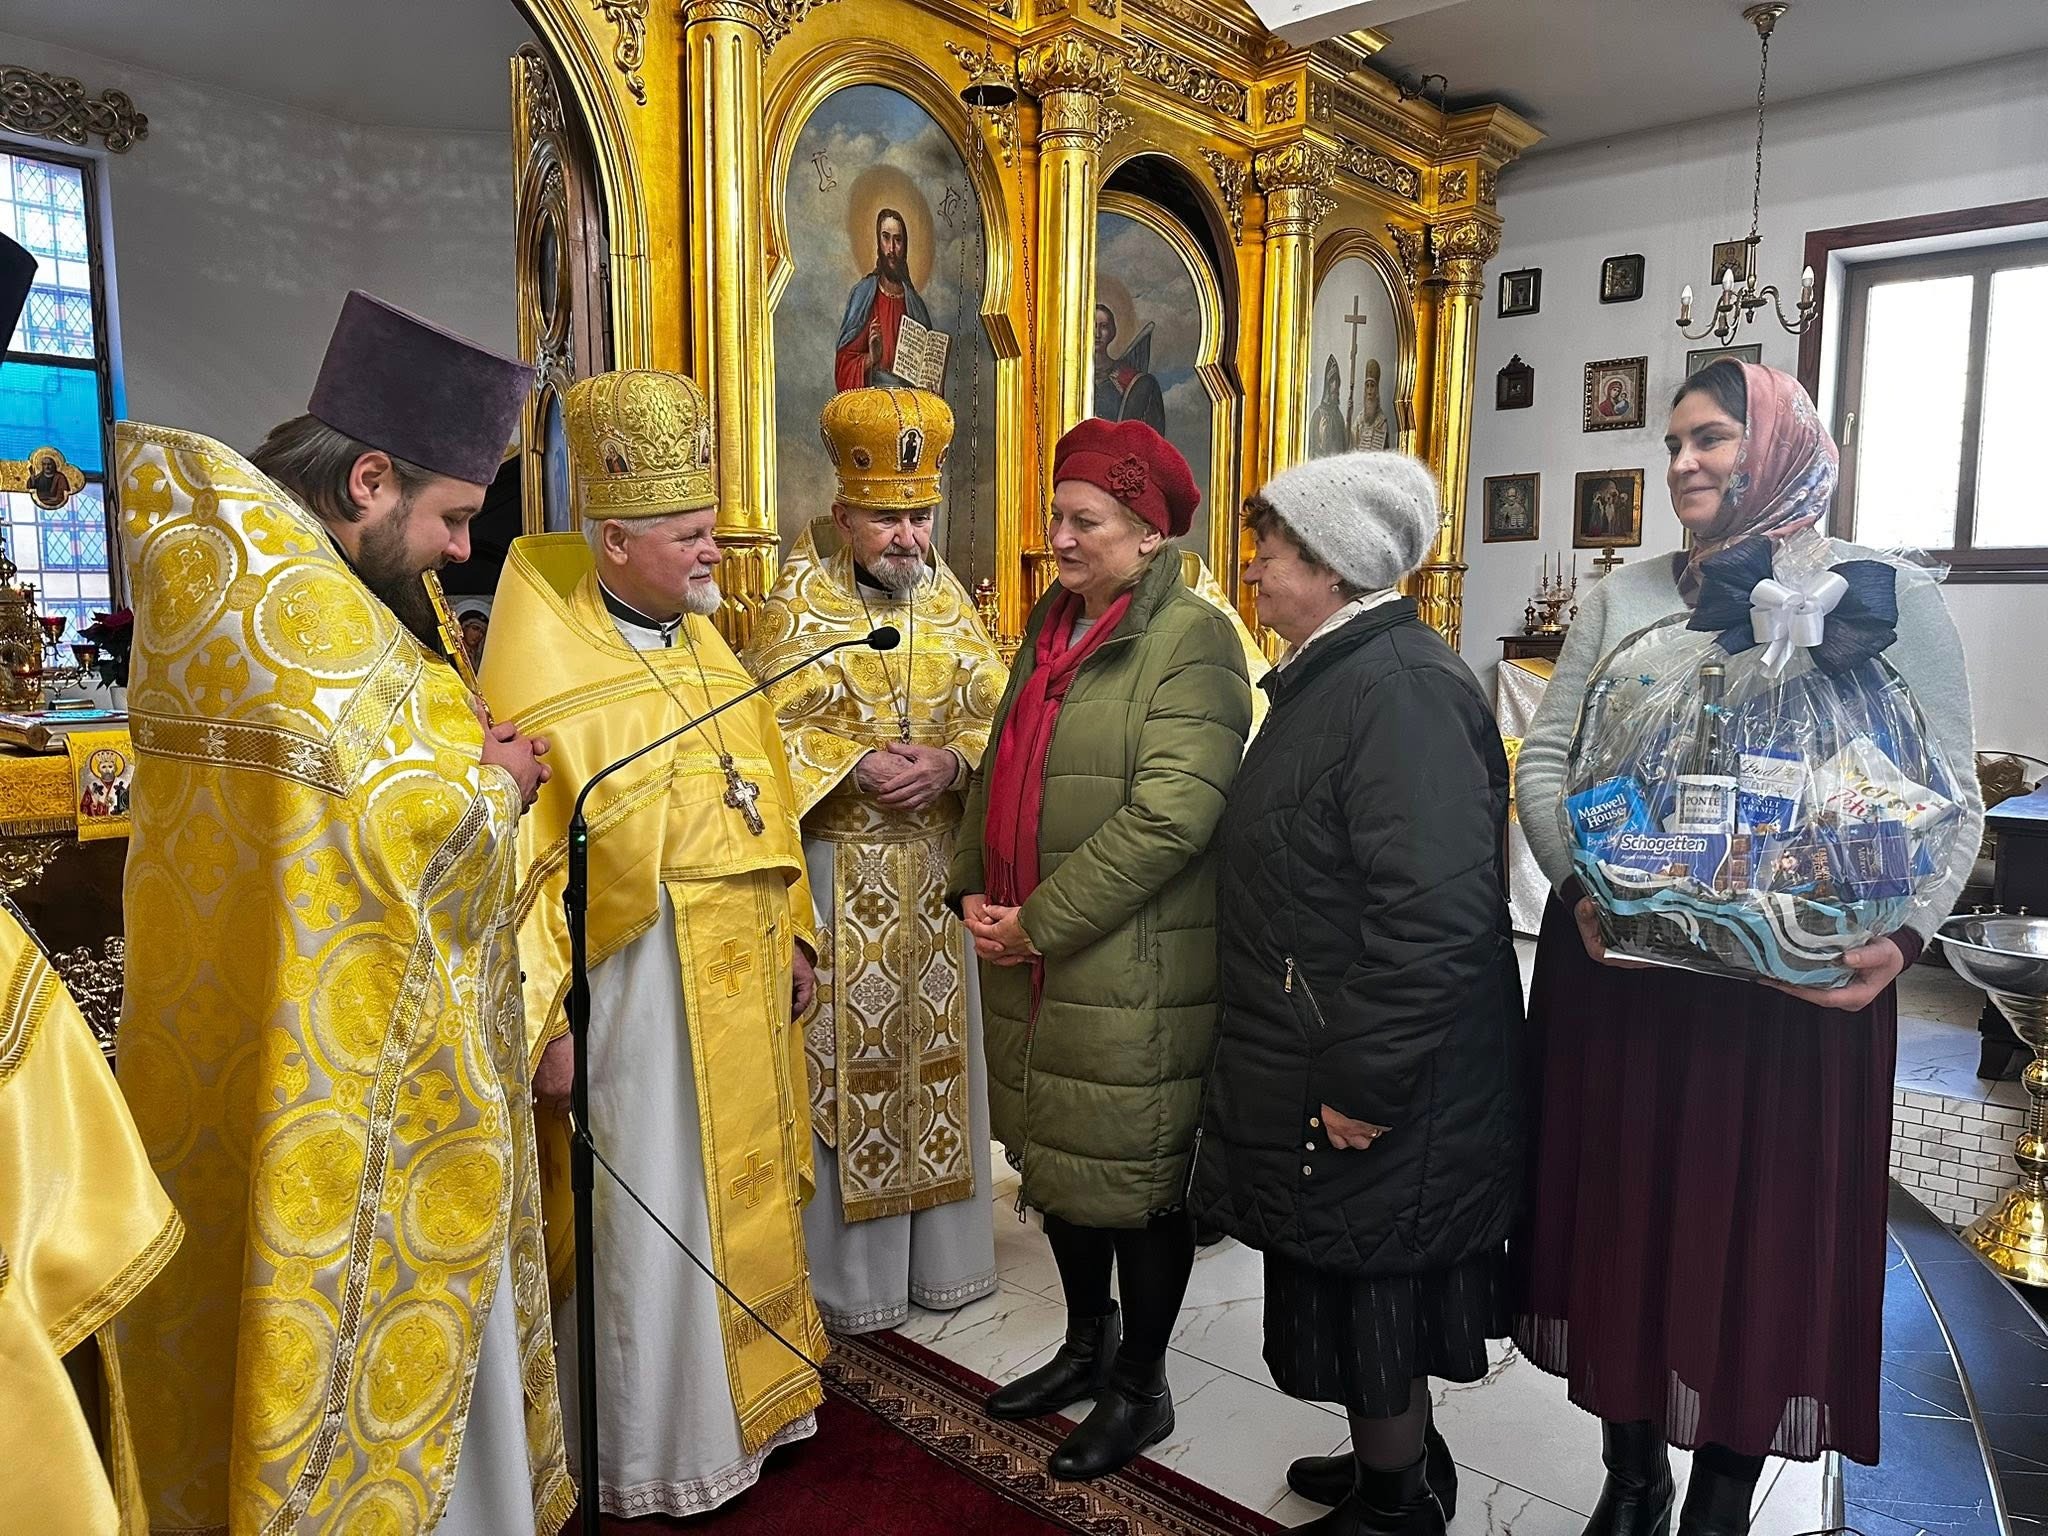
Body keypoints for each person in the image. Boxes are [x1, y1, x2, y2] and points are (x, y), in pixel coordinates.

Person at [114, 290, 569, 1535]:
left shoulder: (249, 568)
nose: (463, 554)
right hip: (349, 1081)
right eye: (454, 517)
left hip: (294, 1038)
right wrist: (501, 786)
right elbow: (404, 823)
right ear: (368, 479)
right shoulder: (286, 598)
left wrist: (465, 758)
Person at [1512, 360, 1983, 1532]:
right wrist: (1582, 885)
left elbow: (1949, 795)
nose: (1682, 462)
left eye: (1712, 438)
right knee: (1624, 1221)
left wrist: (1904, 933)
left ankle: (1721, 1494)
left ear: (1779, 446)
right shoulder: (1623, 595)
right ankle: (1630, 1475)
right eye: (1671, 441)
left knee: (1756, 1243)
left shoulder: (1880, 596)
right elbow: (1545, 759)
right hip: (1623, 971)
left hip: (1794, 997)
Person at [482, 367, 828, 1518]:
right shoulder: (541, 666)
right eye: (689, 536)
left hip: (736, 970)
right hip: (635, 994)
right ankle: (660, 1443)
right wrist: (539, 1023)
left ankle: (758, 1408)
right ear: (615, 538)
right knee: (657, 1205)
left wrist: (793, 930)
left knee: (741, 1195)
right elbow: (519, 865)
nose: (713, 554)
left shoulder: (704, 645)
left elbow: (760, 793)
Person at [1192, 452, 1521, 1534]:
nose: (1251, 571)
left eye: (1269, 553)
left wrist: (1364, 1078)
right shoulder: (1344, 674)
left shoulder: (1397, 691)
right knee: (1349, 1268)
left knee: (1375, 1277)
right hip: (1328, 1037)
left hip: (1375, 1063)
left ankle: (1396, 1506)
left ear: (1333, 567)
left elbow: (1430, 911)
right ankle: (1400, 1460)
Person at [948, 417, 1251, 1480]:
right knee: (1061, 1161)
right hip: (1034, 952)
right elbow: (999, 767)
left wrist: (1037, 919)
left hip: (1131, 967)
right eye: (1056, 517)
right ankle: (1086, 1347)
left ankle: (1142, 1385)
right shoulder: (1049, 621)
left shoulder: (1193, 640)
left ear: (1147, 536)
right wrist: (973, 890)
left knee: (1134, 1177)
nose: (1058, 540)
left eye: (1084, 522)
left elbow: (1173, 816)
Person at [743, 386, 1009, 1333]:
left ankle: (943, 1266)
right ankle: (849, 1286)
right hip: (836, 870)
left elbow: (996, 713)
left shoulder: (946, 601)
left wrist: (952, 760)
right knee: (837, 1073)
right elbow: (757, 729)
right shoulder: (795, 599)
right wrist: (849, 762)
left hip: (934, 878)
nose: (908, 536)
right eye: (889, 517)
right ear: (843, 512)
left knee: (938, 1068)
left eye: (920, 515)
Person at [836, 207, 934, 392]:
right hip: (872, 405)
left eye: (898, 240)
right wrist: (871, 358)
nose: (891, 249)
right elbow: (843, 366)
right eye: (886, 237)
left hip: (909, 408)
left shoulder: (916, 306)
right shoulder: (862, 295)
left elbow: (929, 377)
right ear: (878, 241)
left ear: (905, 246)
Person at [1092, 304, 1168, 435]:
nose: (1097, 333)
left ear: (1112, 332)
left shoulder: (1132, 380)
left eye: (1104, 326)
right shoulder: (1071, 380)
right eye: (1093, 325)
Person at [1308, 355, 1349, 459]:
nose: (1335, 385)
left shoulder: (1339, 416)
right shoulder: (1318, 416)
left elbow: (1344, 450)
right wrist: (1321, 442)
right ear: (1327, 384)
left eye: (1337, 380)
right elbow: (1312, 453)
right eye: (1332, 380)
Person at [1350, 358, 1390, 451]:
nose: (1369, 391)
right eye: (1367, 386)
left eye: (1372, 386)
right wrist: (1348, 418)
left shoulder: (1382, 422)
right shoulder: (1359, 421)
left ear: (1376, 391)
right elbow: (1351, 446)